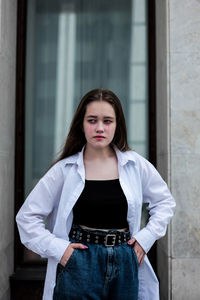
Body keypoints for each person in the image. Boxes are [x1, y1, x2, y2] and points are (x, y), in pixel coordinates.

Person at [16, 88, 176, 300]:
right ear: (81, 125)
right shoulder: (65, 170)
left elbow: (164, 202)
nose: (100, 128)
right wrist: (61, 250)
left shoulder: (135, 165)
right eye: (92, 120)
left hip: (126, 260)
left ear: (117, 125)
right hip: (79, 262)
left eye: (107, 121)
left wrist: (145, 239)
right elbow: (27, 218)